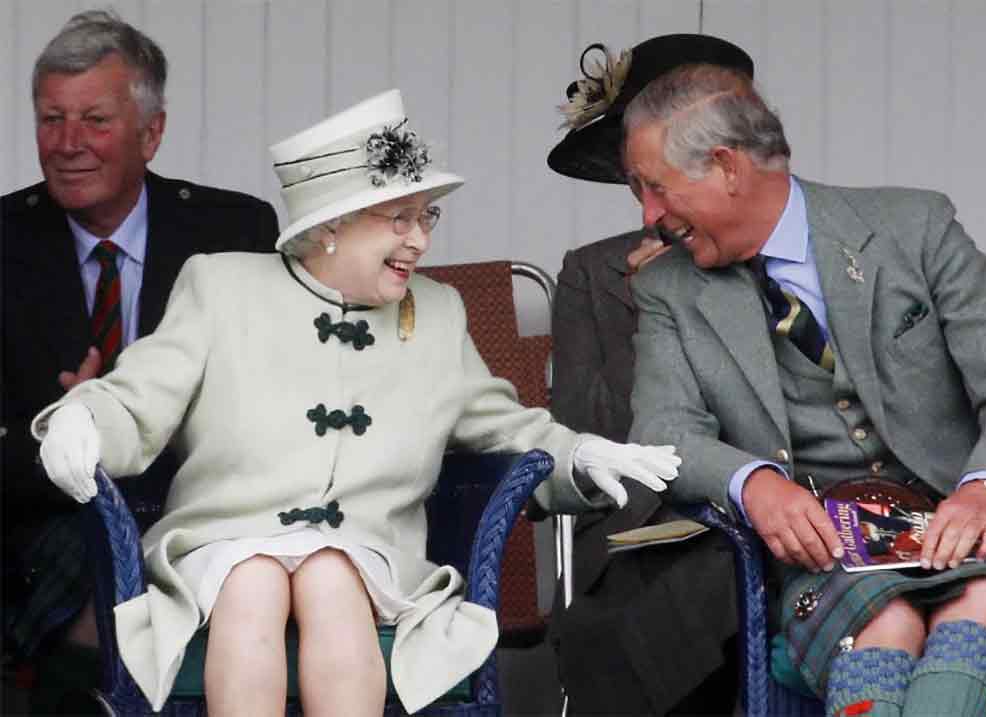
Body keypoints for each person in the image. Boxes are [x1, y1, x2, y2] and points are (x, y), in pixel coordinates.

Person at [31, 88, 681, 716]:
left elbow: (503, 426)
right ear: (332, 226)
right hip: (222, 546)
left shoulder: (436, 311)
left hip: (369, 555)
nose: (421, 240)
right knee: (252, 579)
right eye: (400, 219)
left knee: (331, 574)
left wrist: (580, 455)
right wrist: (83, 418)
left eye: (426, 215)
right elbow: (138, 394)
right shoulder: (221, 287)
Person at [623, 63, 986, 717]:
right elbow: (662, 431)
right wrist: (754, 483)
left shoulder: (916, 226)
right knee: (887, 620)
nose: (649, 215)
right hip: (827, 556)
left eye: (656, 189)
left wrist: (984, 490)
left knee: (982, 603)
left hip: (964, 529)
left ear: (725, 166)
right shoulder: (666, 290)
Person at [1, 8, 278, 704]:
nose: (67, 143)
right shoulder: (5, 240)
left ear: (151, 133)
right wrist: (67, 431)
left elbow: (268, 407)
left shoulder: (233, 229)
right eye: (50, 119)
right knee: (97, 563)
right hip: (43, 518)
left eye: (94, 120)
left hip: (200, 509)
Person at [545, 35, 756, 715]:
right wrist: (649, 311)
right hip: (637, 537)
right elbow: (585, 437)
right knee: (616, 623)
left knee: (723, 582)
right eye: (639, 181)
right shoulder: (592, 272)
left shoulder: (772, 262)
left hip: (754, 520)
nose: (647, 210)